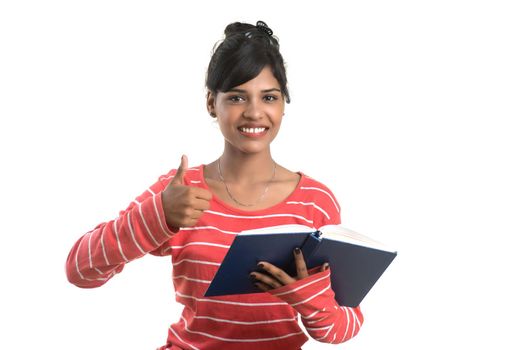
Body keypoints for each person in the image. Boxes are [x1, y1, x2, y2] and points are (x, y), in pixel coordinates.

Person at [66, 20, 364, 350]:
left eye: (269, 97)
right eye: (237, 98)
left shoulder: (315, 201)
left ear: (282, 104)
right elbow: (81, 270)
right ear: (212, 103)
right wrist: (158, 216)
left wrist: (306, 297)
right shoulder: (180, 190)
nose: (254, 112)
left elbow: (342, 328)